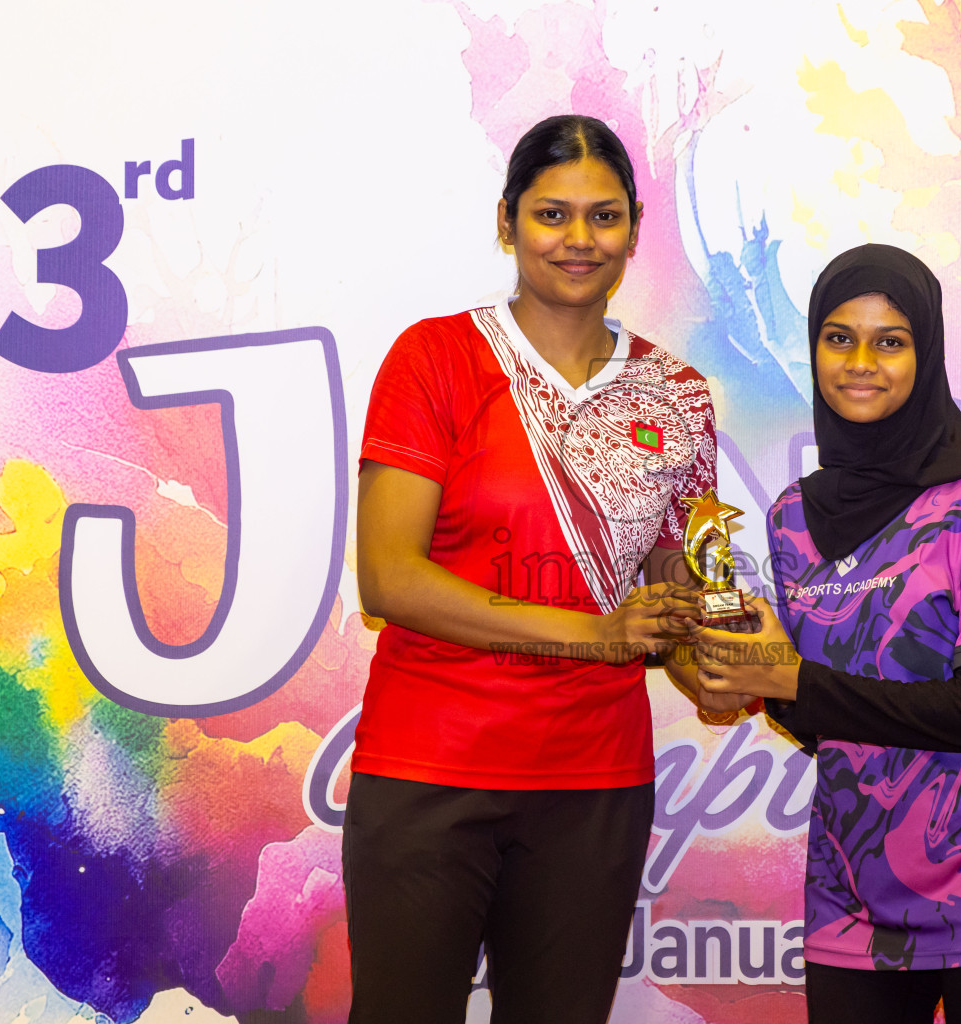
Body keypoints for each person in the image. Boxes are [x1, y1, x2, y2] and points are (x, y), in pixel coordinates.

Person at [346, 114, 717, 1024]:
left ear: (634, 228)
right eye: (552, 215)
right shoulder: (434, 358)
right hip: (430, 773)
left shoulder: (678, 394)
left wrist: (712, 656)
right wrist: (599, 632)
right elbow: (388, 579)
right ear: (507, 222)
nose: (579, 240)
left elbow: (674, 585)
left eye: (603, 216)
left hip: (594, 786)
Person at [686, 244, 961, 1024]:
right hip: (853, 905)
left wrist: (791, 680)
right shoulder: (794, 517)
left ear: (924, 353)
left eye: (889, 341)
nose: (860, 362)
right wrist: (752, 679)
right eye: (839, 338)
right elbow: (820, 717)